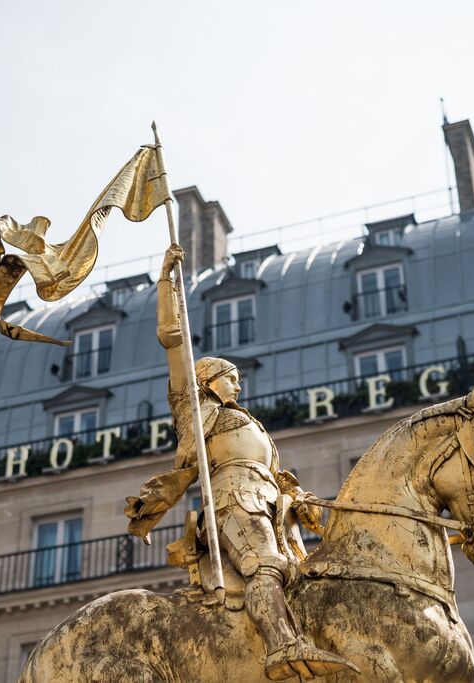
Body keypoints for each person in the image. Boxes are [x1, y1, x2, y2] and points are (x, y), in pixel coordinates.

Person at [124, 245, 350, 681]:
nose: (238, 387)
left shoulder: (252, 425)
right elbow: (174, 338)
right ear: (208, 380)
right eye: (232, 378)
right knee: (264, 565)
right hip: (232, 500)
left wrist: (300, 498)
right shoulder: (194, 407)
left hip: (270, 503)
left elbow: (276, 476)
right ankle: (283, 647)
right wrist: (167, 281)